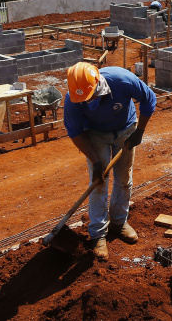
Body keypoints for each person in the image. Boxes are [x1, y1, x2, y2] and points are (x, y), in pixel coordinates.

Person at [63, 62, 157, 260]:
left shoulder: (122, 80)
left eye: (92, 96)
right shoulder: (73, 99)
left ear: (98, 84)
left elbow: (149, 99)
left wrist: (139, 131)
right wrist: (96, 161)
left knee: (124, 178)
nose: (89, 101)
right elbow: (75, 132)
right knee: (99, 183)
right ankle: (98, 234)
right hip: (95, 135)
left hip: (125, 129)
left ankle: (119, 221)